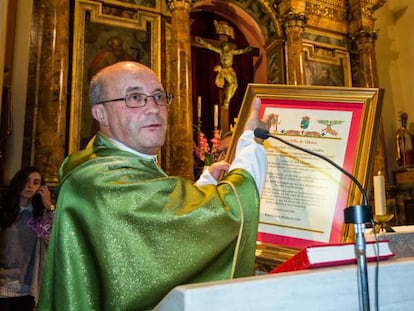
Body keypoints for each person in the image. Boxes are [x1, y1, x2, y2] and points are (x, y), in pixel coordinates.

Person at [38, 61, 269, 310]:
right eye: (135, 97)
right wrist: (251, 143)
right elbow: (228, 213)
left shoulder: (102, 162)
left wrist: (206, 182)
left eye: (159, 96)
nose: (154, 108)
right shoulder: (102, 181)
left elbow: (159, 238)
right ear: (100, 114)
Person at [0, 167, 54, 310]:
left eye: (36, 183)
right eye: (26, 181)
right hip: (3, 284)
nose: (30, 186)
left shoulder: (40, 215)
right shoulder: (4, 210)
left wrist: (49, 206)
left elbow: (54, 240)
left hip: (27, 287)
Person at [196, 37, 252, 108]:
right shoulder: (221, 52)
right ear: (223, 47)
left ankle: (227, 98)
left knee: (235, 86)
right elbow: (211, 47)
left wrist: (245, 50)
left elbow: (239, 52)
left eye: (227, 46)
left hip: (231, 70)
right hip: (225, 70)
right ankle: (226, 101)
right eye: (225, 46)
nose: (227, 48)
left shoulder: (231, 52)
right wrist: (203, 42)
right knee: (232, 84)